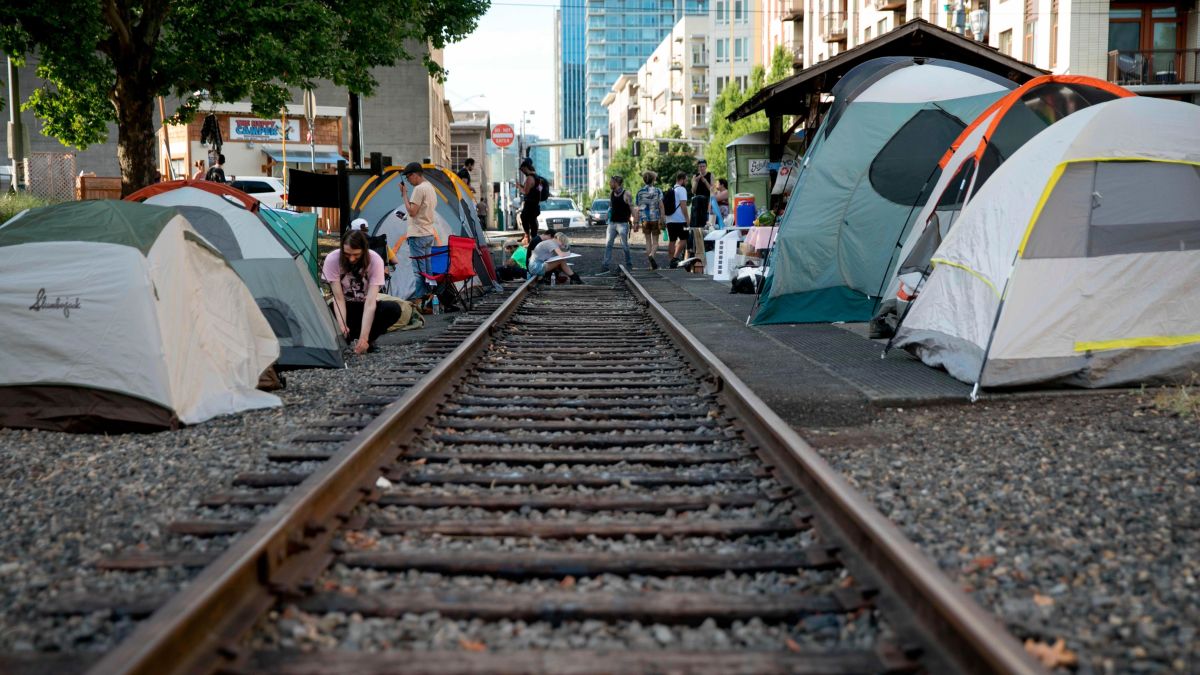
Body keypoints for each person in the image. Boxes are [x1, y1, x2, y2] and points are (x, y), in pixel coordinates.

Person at [324, 229, 402, 355]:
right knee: (326, 311)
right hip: (345, 306)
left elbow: (370, 302)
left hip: (365, 306)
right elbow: (338, 299)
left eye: (356, 255)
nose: (351, 259)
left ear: (364, 251)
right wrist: (342, 326)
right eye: (347, 254)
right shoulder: (332, 259)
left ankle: (367, 341)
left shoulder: (376, 260)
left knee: (393, 309)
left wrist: (364, 337)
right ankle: (342, 338)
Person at [398, 162, 438, 304]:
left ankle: (419, 301)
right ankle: (430, 297)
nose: (408, 181)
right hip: (428, 233)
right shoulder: (430, 187)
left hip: (418, 234)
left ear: (415, 175)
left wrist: (404, 195)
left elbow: (412, 212)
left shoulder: (419, 189)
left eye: (408, 177)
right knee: (427, 270)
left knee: (418, 271)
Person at [601, 174, 636, 273]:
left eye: (611, 182)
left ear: (616, 183)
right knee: (608, 244)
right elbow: (611, 206)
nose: (609, 183)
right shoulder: (612, 193)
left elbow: (632, 208)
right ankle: (605, 265)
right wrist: (607, 215)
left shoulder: (626, 194)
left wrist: (636, 221)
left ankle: (629, 264)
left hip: (623, 224)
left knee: (625, 246)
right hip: (612, 224)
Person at [635, 170, 664, 270]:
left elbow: (638, 207)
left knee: (648, 241)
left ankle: (651, 265)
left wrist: (636, 221)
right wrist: (663, 219)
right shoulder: (658, 191)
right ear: (653, 179)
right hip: (655, 218)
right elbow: (661, 206)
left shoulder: (640, 192)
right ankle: (651, 255)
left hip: (645, 219)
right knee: (656, 243)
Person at [518, 158, 541, 263]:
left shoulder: (529, 178)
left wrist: (519, 187)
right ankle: (533, 239)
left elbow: (526, 192)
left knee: (524, 218)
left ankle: (528, 237)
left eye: (523, 170)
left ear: (526, 168)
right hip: (535, 204)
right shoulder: (537, 177)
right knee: (532, 220)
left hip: (530, 204)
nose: (522, 172)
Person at [665, 172, 690, 268]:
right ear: (682, 179)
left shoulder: (672, 189)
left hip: (669, 219)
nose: (686, 182)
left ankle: (671, 261)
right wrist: (688, 219)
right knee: (684, 239)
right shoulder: (682, 189)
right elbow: (683, 206)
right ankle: (675, 258)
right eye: (686, 180)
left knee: (672, 240)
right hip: (680, 220)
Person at [689, 159, 713, 252]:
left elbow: (711, 189)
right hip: (696, 203)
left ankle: (706, 245)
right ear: (698, 167)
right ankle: (694, 245)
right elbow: (693, 191)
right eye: (700, 167)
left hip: (706, 202)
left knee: (705, 224)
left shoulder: (710, 175)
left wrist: (704, 181)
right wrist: (696, 181)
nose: (702, 168)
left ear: (706, 167)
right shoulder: (695, 176)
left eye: (703, 166)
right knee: (695, 225)